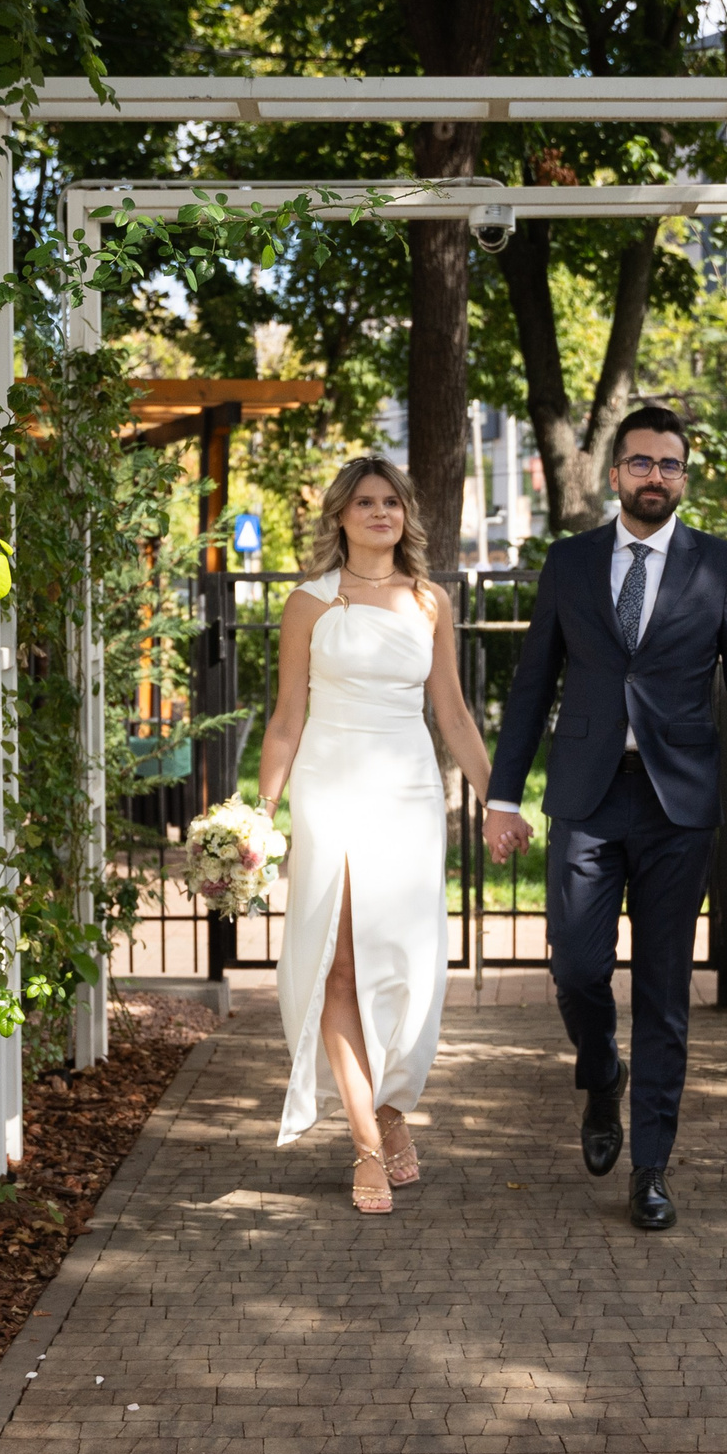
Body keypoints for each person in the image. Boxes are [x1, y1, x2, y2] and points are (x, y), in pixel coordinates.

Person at [481, 404, 727, 1231]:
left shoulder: (720, 564)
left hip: (676, 802)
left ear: (684, 477)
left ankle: (650, 1166)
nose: (657, 475)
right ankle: (600, 1067)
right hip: (585, 793)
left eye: (671, 464)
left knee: (662, 990)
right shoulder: (571, 562)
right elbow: (533, 681)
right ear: (615, 474)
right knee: (577, 969)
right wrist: (503, 794)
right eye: (642, 462)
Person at [256, 456, 496, 1214]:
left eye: (392, 500)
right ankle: (366, 1144)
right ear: (340, 515)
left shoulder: (430, 601)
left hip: (407, 791)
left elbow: (453, 713)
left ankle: (391, 1110)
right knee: (338, 963)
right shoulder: (309, 604)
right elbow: (287, 716)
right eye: (365, 501)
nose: (380, 512)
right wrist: (259, 813)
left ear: (406, 515)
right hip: (330, 786)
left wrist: (501, 799)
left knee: (402, 969)